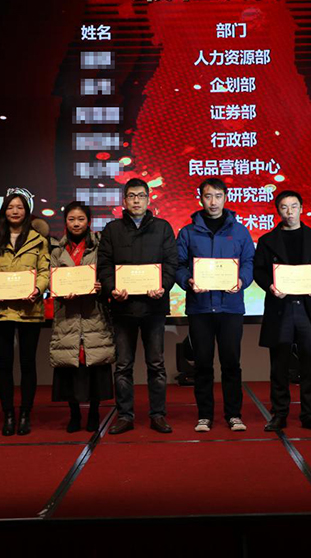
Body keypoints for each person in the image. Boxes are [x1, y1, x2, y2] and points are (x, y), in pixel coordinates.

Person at [97, 178, 178, 434]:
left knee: (156, 365)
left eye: (141, 196)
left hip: (154, 307)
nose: (136, 200)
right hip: (123, 308)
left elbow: (171, 263)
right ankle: (125, 416)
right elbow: (104, 265)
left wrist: (163, 285)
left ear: (148, 199)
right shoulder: (112, 230)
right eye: (131, 196)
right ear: (124, 200)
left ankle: (158, 415)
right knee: (123, 366)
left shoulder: (163, 228)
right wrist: (112, 289)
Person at [175, 178, 254, 432]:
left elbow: (249, 262)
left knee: (231, 364)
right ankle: (204, 416)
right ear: (201, 198)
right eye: (208, 196)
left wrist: (242, 280)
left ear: (225, 198)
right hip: (200, 308)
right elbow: (179, 265)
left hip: (230, 308)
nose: (213, 202)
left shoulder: (240, 231)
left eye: (218, 196)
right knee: (203, 364)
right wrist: (188, 280)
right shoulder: (188, 232)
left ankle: (234, 415)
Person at [253, 191, 311, 432]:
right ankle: (279, 414)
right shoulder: (267, 240)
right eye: (284, 207)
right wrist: (270, 286)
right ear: (278, 211)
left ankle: (310, 415)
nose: (289, 212)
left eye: (294, 206)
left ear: (301, 208)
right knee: (279, 365)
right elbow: (259, 271)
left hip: (308, 307)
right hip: (281, 307)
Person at [0, 193, 50, 436]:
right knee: (5, 364)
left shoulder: (38, 239)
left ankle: (25, 414)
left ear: (26, 211)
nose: (15, 211)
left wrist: (38, 289)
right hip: (1, 310)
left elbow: (44, 270)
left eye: (20, 207)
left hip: (30, 309)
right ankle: (8, 414)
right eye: (10, 207)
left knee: (28, 363)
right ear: (5, 211)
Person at [49, 202, 115, 433]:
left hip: (93, 314)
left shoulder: (99, 247)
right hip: (67, 316)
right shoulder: (57, 251)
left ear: (89, 222)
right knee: (70, 364)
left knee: (94, 363)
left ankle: (95, 412)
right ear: (65, 222)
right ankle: (74, 414)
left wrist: (101, 286)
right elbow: (52, 280)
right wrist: (59, 289)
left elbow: (107, 274)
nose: (76, 224)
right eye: (71, 219)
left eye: (81, 219)